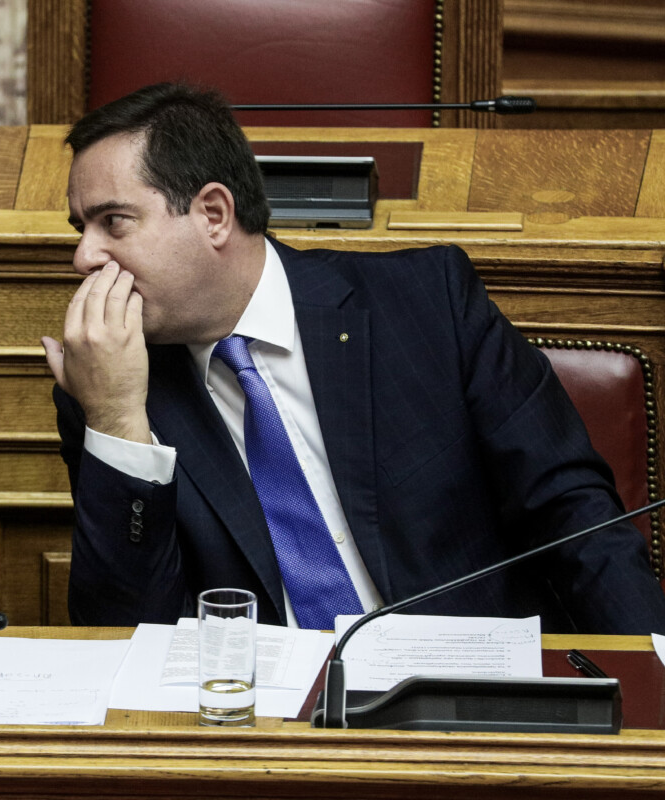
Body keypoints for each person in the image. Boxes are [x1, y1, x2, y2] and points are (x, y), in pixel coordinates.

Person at [42, 82, 665, 633]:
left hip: (468, 691)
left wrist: (652, 675)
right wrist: (116, 420)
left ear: (213, 214)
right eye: (81, 229)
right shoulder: (110, 388)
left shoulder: (427, 304)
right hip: (270, 717)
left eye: (113, 222)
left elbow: (572, 515)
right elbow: (125, 637)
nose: (84, 257)